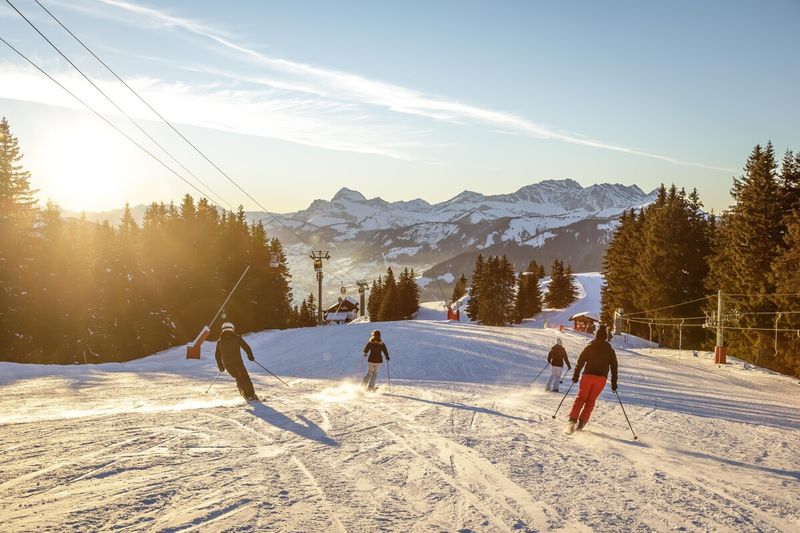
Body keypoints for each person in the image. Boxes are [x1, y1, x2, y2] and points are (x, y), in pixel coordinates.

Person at [567, 324, 618, 432]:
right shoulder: (610, 350)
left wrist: (576, 375)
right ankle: (582, 423)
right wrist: (614, 383)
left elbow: (580, 361)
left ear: (596, 335)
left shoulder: (590, 347)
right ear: (605, 337)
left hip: (588, 376)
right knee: (591, 401)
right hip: (601, 379)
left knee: (581, 398)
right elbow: (614, 367)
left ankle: (572, 421)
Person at [215, 322, 258, 401]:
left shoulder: (219, 342)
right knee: (245, 378)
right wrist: (250, 356)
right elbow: (246, 347)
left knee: (238, 378)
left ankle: (244, 394)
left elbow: (217, 355)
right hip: (237, 363)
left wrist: (220, 366)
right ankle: (251, 395)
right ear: (232, 329)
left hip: (227, 365)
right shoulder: (237, 338)